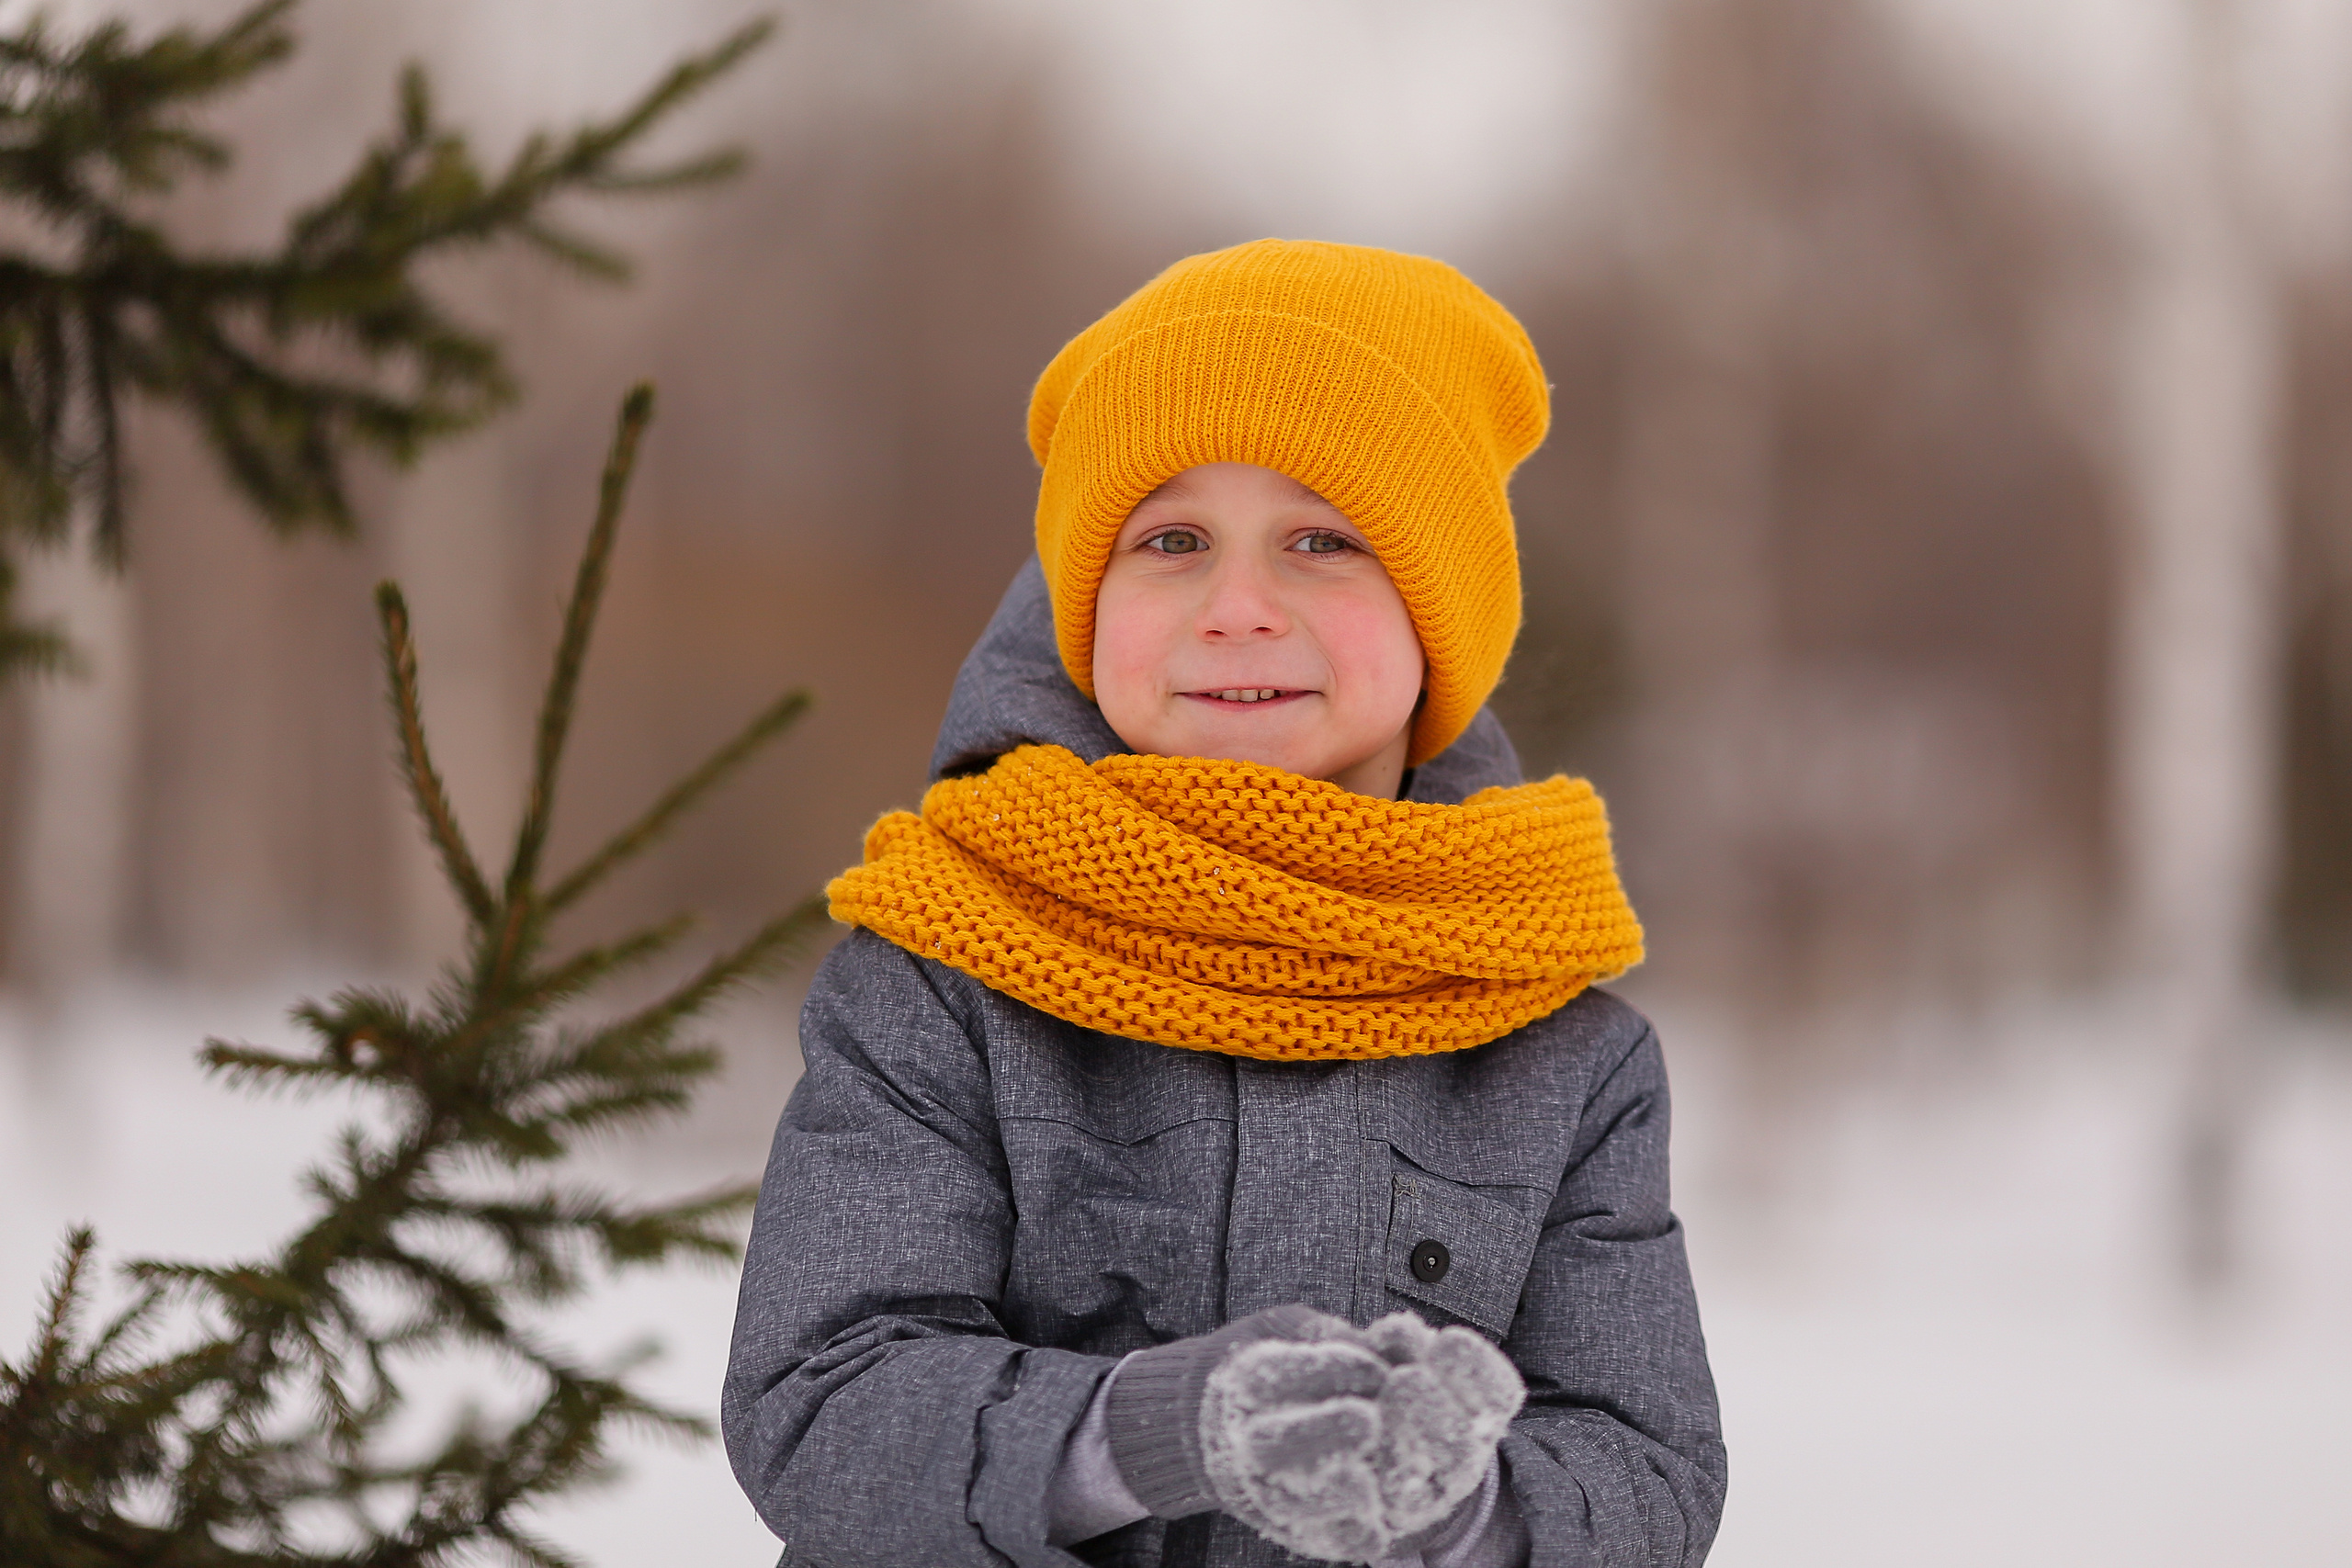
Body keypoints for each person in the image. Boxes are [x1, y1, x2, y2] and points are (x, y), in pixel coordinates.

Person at [722, 239, 1724, 1568]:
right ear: (1085, 605)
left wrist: (1462, 1508)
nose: (1237, 606)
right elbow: (822, 1400)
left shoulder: (1557, 1040)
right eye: (1172, 540)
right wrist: (1156, 1431)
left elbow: (1648, 1469)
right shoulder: (944, 966)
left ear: (1444, 612)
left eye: (1324, 539)